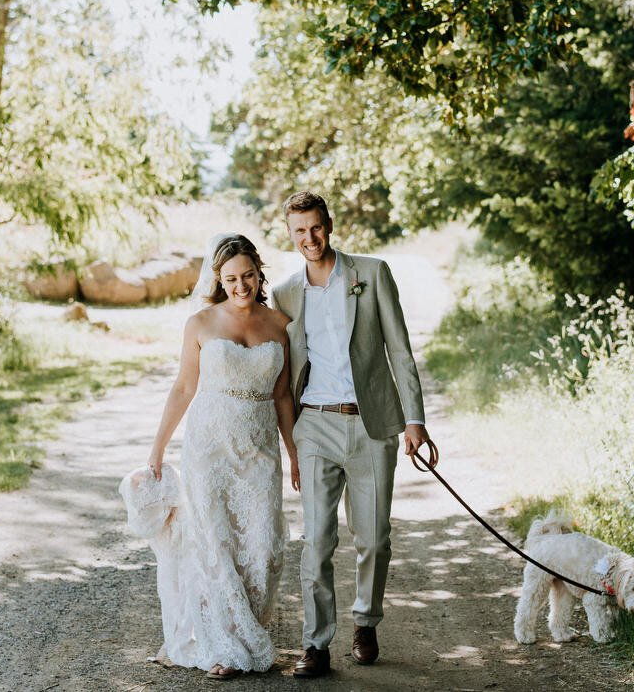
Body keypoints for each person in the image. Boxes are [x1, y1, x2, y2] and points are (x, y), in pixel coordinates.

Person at [270, 192, 438, 678]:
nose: (310, 239)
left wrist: (414, 420)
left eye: (316, 227)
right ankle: (316, 643)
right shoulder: (284, 294)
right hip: (315, 425)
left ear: (330, 224)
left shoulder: (372, 273)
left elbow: (400, 351)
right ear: (289, 233)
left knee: (374, 537)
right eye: (299, 231)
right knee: (316, 542)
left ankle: (366, 622)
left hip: (372, 424)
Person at [126, 234, 300, 680]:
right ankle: (221, 645)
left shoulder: (281, 324)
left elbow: (283, 397)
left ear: (259, 272)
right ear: (218, 279)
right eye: (230, 278)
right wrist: (157, 449)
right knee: (215, 544)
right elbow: (184, 388)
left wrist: (294, 453)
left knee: (264, 547)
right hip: (209, 447)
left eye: (247, 275)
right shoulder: (200, 324)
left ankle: (249, 631)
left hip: (259, 447)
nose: (240, 285)